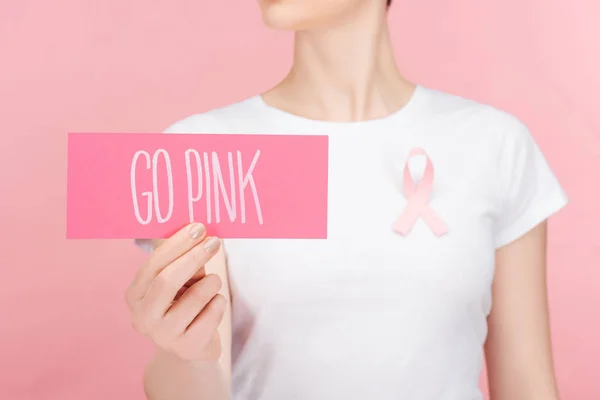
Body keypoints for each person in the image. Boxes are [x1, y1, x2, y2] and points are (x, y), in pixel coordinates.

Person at [126, 0, 568, 399]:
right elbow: (193, 387)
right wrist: (188, 354)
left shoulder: (494, 145)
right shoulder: (200, 151)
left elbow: (528, 385)